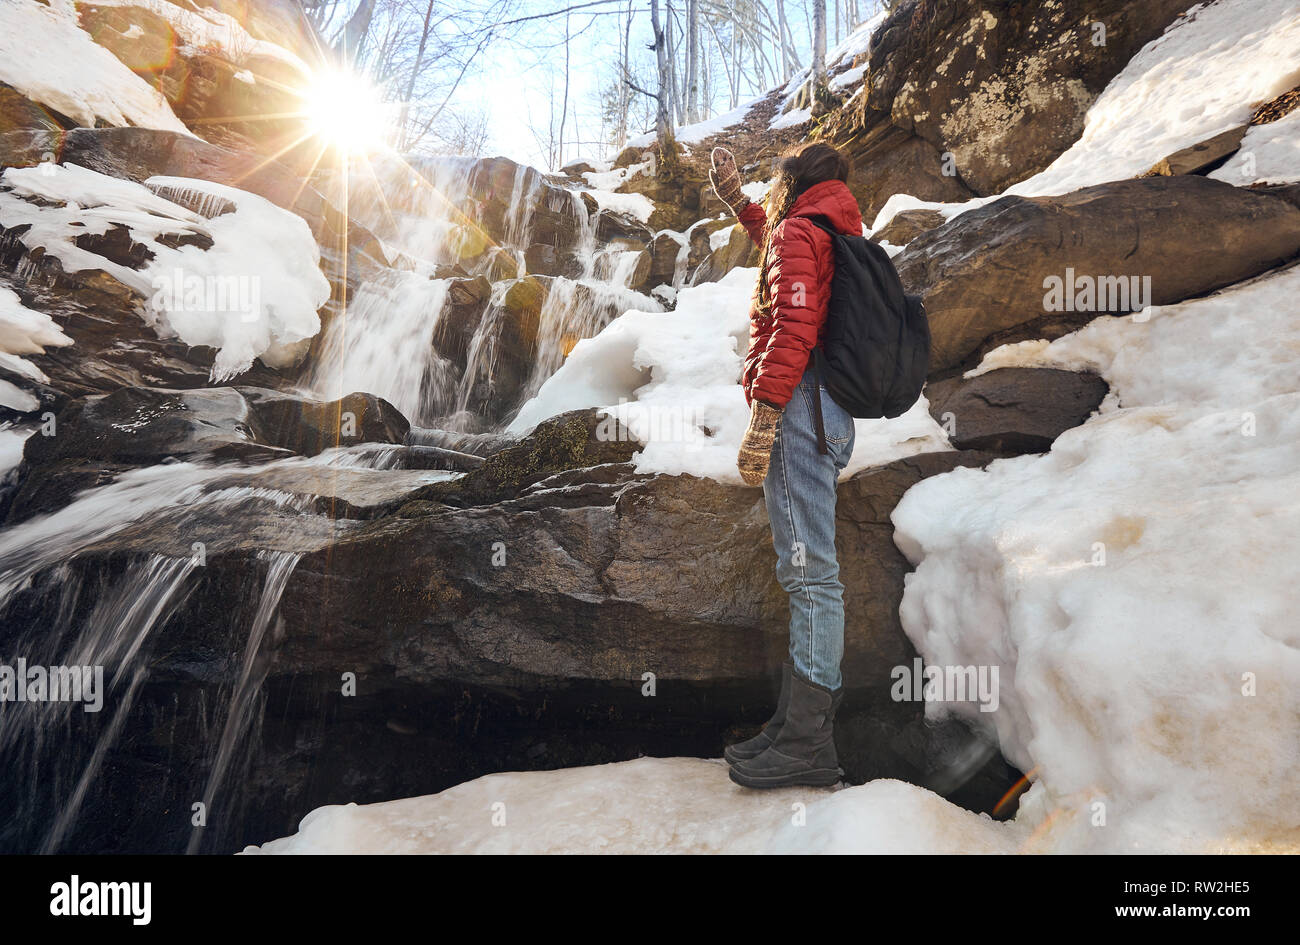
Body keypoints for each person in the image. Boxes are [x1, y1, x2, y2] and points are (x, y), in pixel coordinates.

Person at [708, 142, 861, 789]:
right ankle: (796, 726)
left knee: (812, 577)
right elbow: (777, 249)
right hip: (822, 407)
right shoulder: (825, 225)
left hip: (801, 410)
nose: (772, 189)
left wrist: (766, 416)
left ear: (795, 181)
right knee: (808, 574)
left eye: (776, 180)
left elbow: (794, 322)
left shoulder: (803, 229)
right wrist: (736, 200)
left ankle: (808, 742)